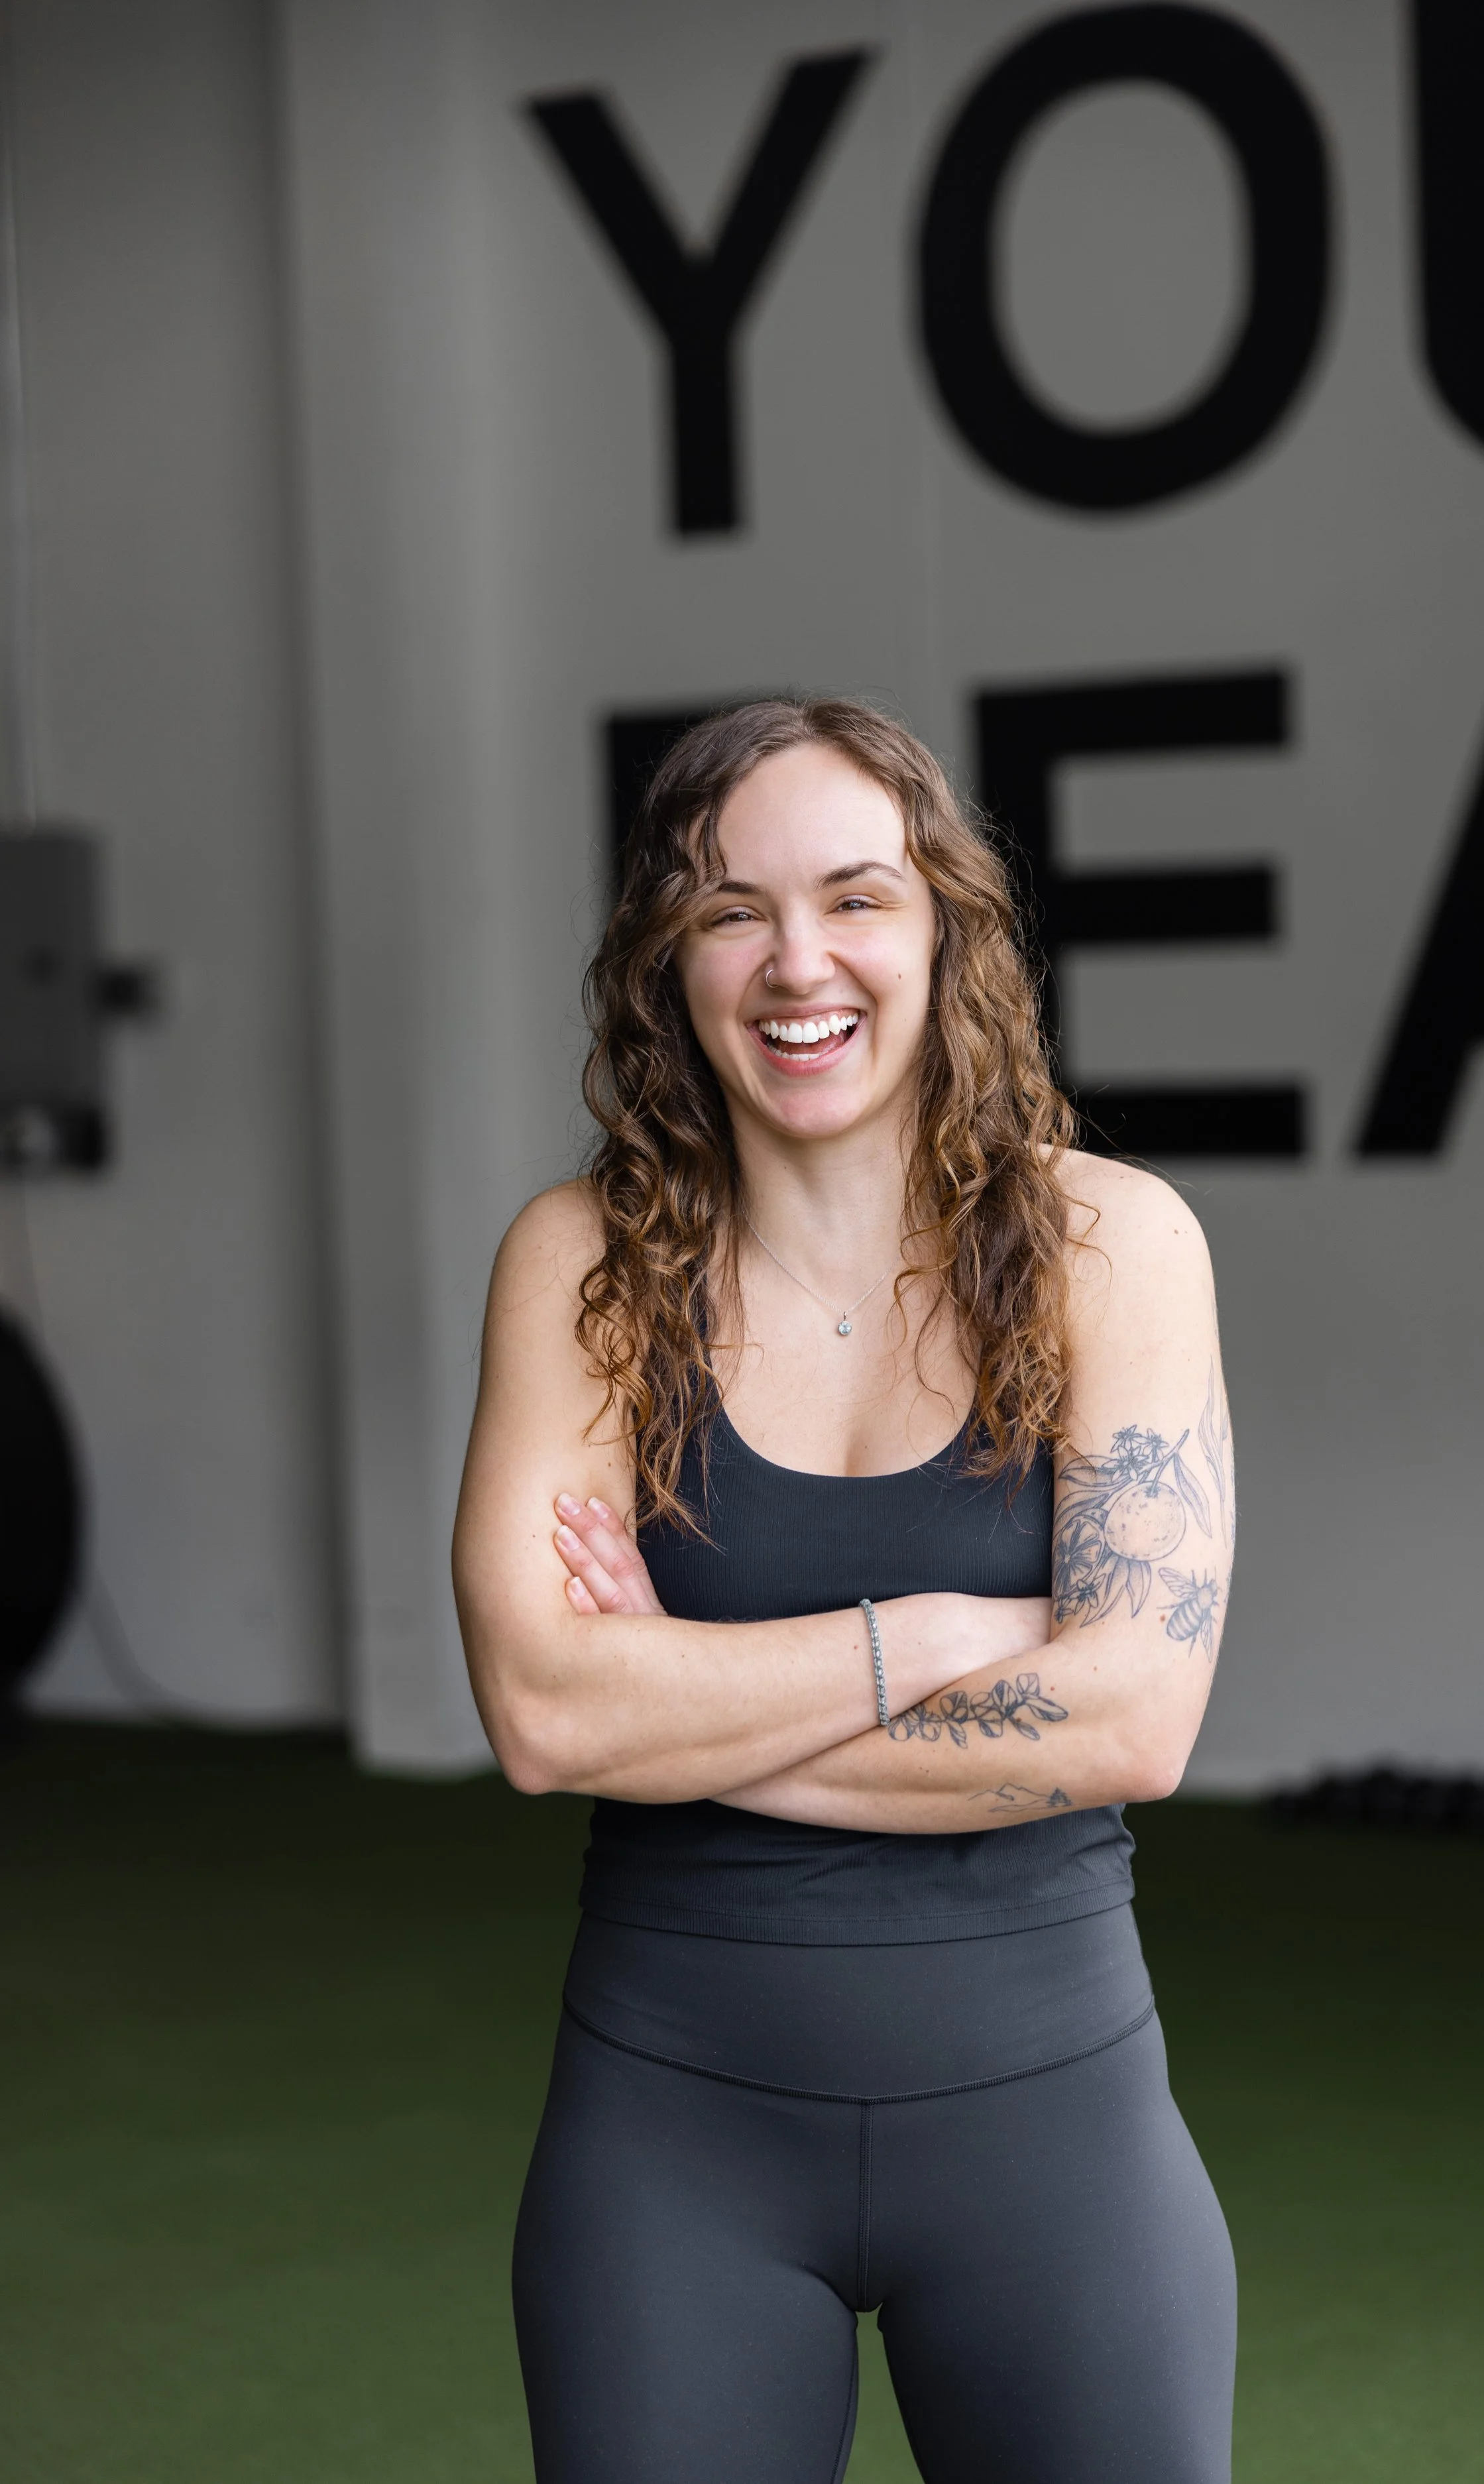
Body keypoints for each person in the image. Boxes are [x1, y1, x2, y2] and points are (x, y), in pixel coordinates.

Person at [453, 699, 1237, 2483]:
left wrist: (681, 1697)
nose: (796, 963)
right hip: (670, 2146)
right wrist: (938, 1638)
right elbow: (545, 1714)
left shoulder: (1108, 1245)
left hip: (1057, 2135)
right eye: (731, 909)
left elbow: (1134, 1719)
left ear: (944, 926)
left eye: (855, 898)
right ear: (667, 958)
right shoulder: (580, 1266)